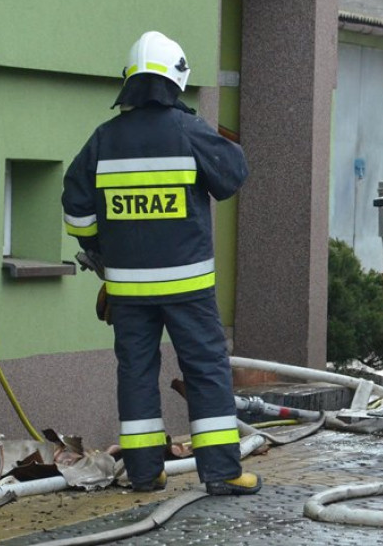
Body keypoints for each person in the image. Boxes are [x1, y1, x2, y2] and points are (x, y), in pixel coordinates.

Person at [62, 30, 260, 496]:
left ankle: (145, 473)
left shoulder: (103, 139)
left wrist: (103, 253)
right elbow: (234, 174)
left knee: (135, 372)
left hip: (128, 289)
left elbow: (75, 212)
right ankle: (222, 472)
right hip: (187, 287)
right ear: (176, 80)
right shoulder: (188, 131)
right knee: (206, 368)